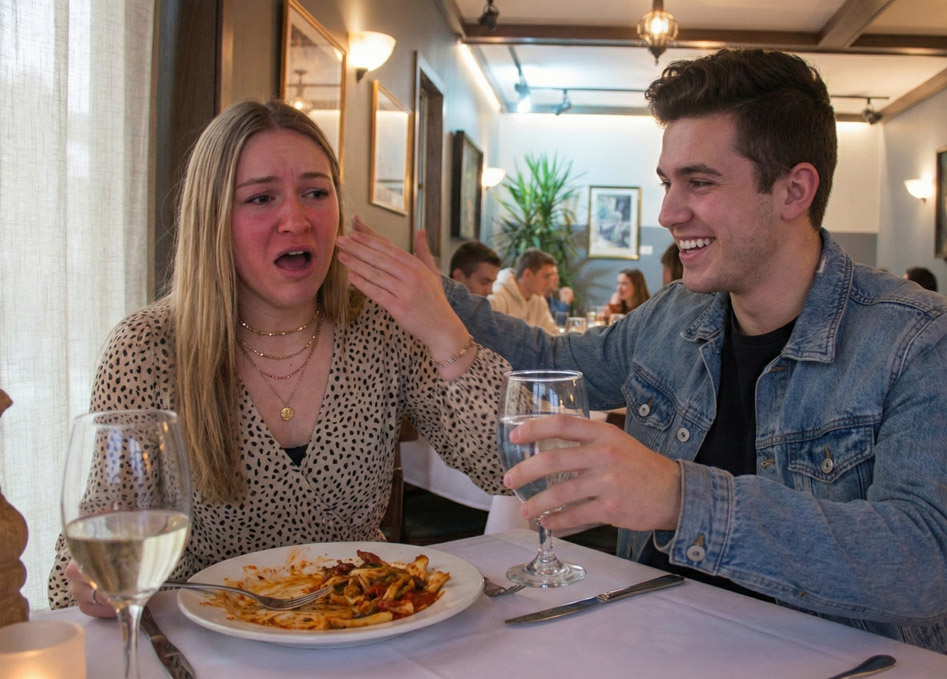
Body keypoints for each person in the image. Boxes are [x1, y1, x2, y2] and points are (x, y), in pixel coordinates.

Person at [438, 49, 947, 651]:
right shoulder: (675, 313)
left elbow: (923, 562)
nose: (668, 213)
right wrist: (436, 303)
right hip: (651, 642)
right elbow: (551, 359)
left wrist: (681, 496)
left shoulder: (916, 340)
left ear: (793, 190)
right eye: (667, 182)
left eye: (699, 183)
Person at [48, 100, 509, 614]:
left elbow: (508, 472)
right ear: (213, 219)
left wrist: (443, 329)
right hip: (199, 645)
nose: (296, 219)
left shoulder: (382, 328)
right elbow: (81, 563)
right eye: (261, 198)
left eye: (316, 192)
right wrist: (94, 589)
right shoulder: (147, 348)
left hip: (362, 633)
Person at [489, 248, 560, 334]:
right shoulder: (497, 296)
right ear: (528, 274)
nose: (550, 283)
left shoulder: (539, 299)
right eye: (546, 276)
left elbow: (552, 333)